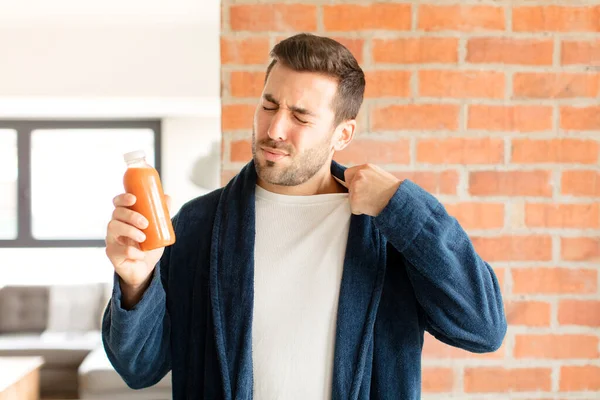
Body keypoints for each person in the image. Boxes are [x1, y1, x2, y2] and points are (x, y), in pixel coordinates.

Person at [103, 33, 507, 399]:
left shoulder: (386, 229)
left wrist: (403, 208)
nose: (275, 128)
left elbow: (482, 329)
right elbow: (140, 368)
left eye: (300, 117)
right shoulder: (198, 224)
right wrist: (136, 282)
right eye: (268, 105)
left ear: (342, 134)